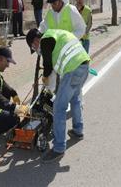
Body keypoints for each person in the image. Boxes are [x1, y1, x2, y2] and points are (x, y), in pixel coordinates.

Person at [26, 28, 90, 163]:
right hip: (84, 65)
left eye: (34, 46)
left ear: (36, 40)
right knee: (75, 99)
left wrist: (44, 78)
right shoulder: (57, 34)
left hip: (73, 70)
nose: (36, 50)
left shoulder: (45, 40)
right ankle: (78, 130)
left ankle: (59, 148)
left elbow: (48, 65)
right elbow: (57, 67)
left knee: (58, 109)